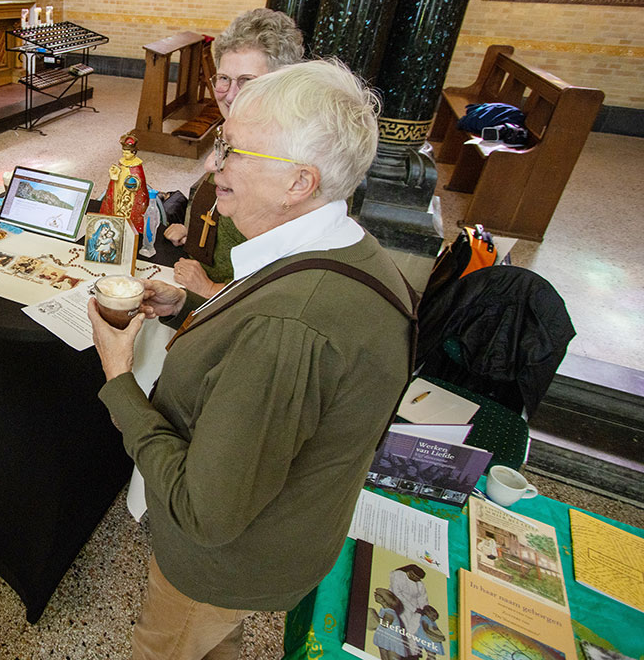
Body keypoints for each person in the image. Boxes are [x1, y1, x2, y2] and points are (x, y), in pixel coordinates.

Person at [87, 59, 415, 660]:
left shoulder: (287, 328)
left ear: (299, 183)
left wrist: (118, 376)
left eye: (235, 151)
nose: (215, 165)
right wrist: (189, 305)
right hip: (280, 531)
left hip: (227, 562)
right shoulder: (339, 246)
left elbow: (202, 513)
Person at [165, 8, 305, 298]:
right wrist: (195, 232)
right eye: (224, 78)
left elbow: (282, 286)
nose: (229, 94)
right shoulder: (236, 134)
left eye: (247, 82)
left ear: (281, 85)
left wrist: (209, 288)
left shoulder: (285, 165)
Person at [99, 132, 148, 233]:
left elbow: (140, 180)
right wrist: (114, 174)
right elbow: (118, 174)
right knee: (116, 204)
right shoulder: (121, 162)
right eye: (123, 152)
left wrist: (133, 183)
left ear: (133, 153)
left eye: (127, 153)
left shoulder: (137, 165)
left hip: (130, 192)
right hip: (119, 188)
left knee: (128, 206)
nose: (124, 155)